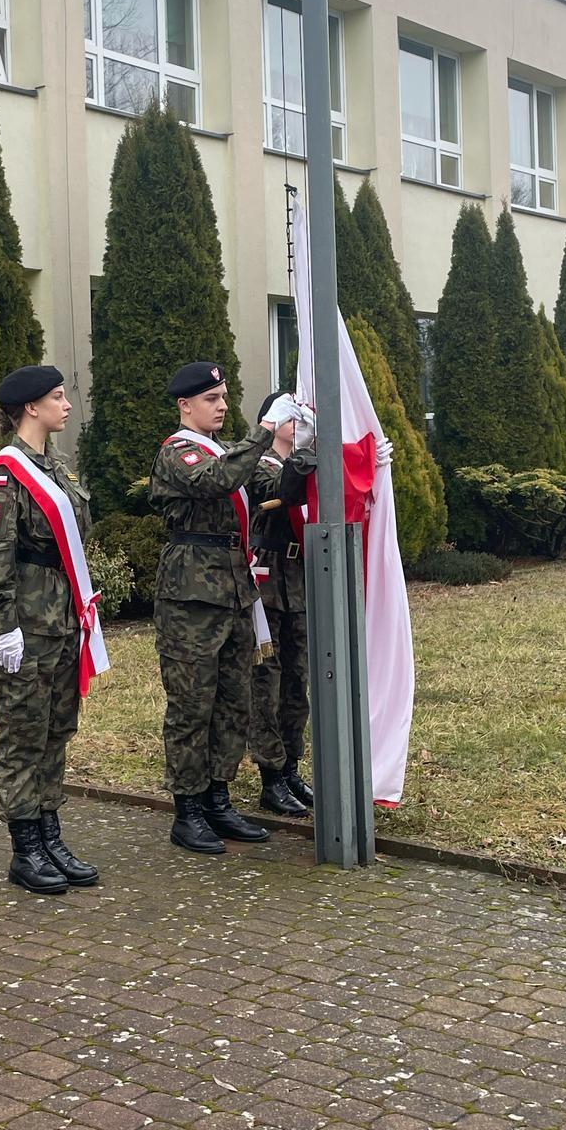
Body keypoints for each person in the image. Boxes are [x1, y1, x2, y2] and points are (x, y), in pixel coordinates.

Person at [149, 361, 302, 854]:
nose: (221, 406)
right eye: (211, 399)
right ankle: (188, 810)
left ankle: (218, 798)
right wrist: (265, 430)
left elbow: (273, 488)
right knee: (193, 706)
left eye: (223, 397)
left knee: (233, 701)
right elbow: (217, 479)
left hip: (235, 589)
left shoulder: (227, 451)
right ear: (185, 405)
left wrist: (313, 453)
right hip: (192, 595)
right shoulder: (179, 451)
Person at [0, 364, 108, 895]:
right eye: (57, 396)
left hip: (63, 623)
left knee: (56, 732)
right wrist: (6, 627)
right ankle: (24, 847)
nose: (67, 404)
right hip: (26, 630)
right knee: (23, 737)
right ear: (31, 407)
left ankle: (50, 835)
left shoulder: (58, 469)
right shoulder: (5, 477)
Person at [247, 391, 316, 816]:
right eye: (295, 418)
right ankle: (270, 774)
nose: (301, 424)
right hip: (267, 580)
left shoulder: (300, 460)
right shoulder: (259, 464)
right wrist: (307, 457)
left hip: (297, 581)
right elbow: (280, 492)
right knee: (266, 681)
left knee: (297, 680)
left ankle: (291, 766)